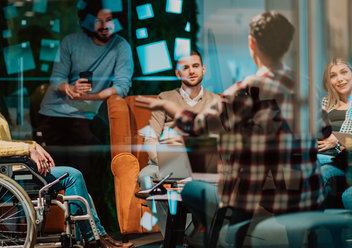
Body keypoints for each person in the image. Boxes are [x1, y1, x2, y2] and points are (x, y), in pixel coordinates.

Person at [136, 11, 329, 247]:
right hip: (308, 192)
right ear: (288, 44)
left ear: (252, 44)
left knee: (196, 191)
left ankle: (202, 238)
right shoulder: (307, 85)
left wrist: (169, 108)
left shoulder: (247, 90)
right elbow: (323, 131)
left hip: (255, 191)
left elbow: (198, 126)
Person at [0, 48, 133, 248]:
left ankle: (95, 237)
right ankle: (93, 240)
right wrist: (28, 149)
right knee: (72, 176)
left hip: (7, 171)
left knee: (75, 181)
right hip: (1, 177)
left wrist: (32, 145)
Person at [37, 0, 133, 168]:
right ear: (89, 20)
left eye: (109, 19)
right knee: (52, 172)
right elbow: (56, 78)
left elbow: (122, 86)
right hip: (52, 114)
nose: (104, 25)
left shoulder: (121, 46)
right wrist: (69, 88)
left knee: (81, 171)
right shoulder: (70, 42)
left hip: (83, 116)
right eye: (98, 20)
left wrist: (91, 97)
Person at [136, 50, 219, 235]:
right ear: (177, 73)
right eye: (185, 68)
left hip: (201, 165)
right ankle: (172, 239)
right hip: (164, 161)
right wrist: (163, 161)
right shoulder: (164, 98)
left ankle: (185, 238)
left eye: (195, 66)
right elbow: (150, 137)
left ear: (203, 69)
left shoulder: (215, 101)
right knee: (146, 177)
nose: (191, 71)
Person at [317, 58, 352, 208]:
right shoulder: (323, 103)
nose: (340, 79)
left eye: (344, 72)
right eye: (333, 75)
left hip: (343, 162)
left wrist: (336, 140)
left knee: (321, 172)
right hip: (318, 157)